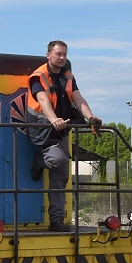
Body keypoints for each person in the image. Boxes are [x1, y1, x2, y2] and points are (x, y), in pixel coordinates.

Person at [28, 40, 101, 232]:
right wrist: (53, 119)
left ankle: (57, 220)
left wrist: (91, 117)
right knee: (59, 159)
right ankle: (39, 161)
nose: (62, 58)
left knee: (61, 175)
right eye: (58, 54)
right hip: (42, 130)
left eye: (64, 55)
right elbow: (43, 100)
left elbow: (78, 98)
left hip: (61, 130)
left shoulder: (68, 76)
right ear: (48, 55)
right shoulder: (39, 77)